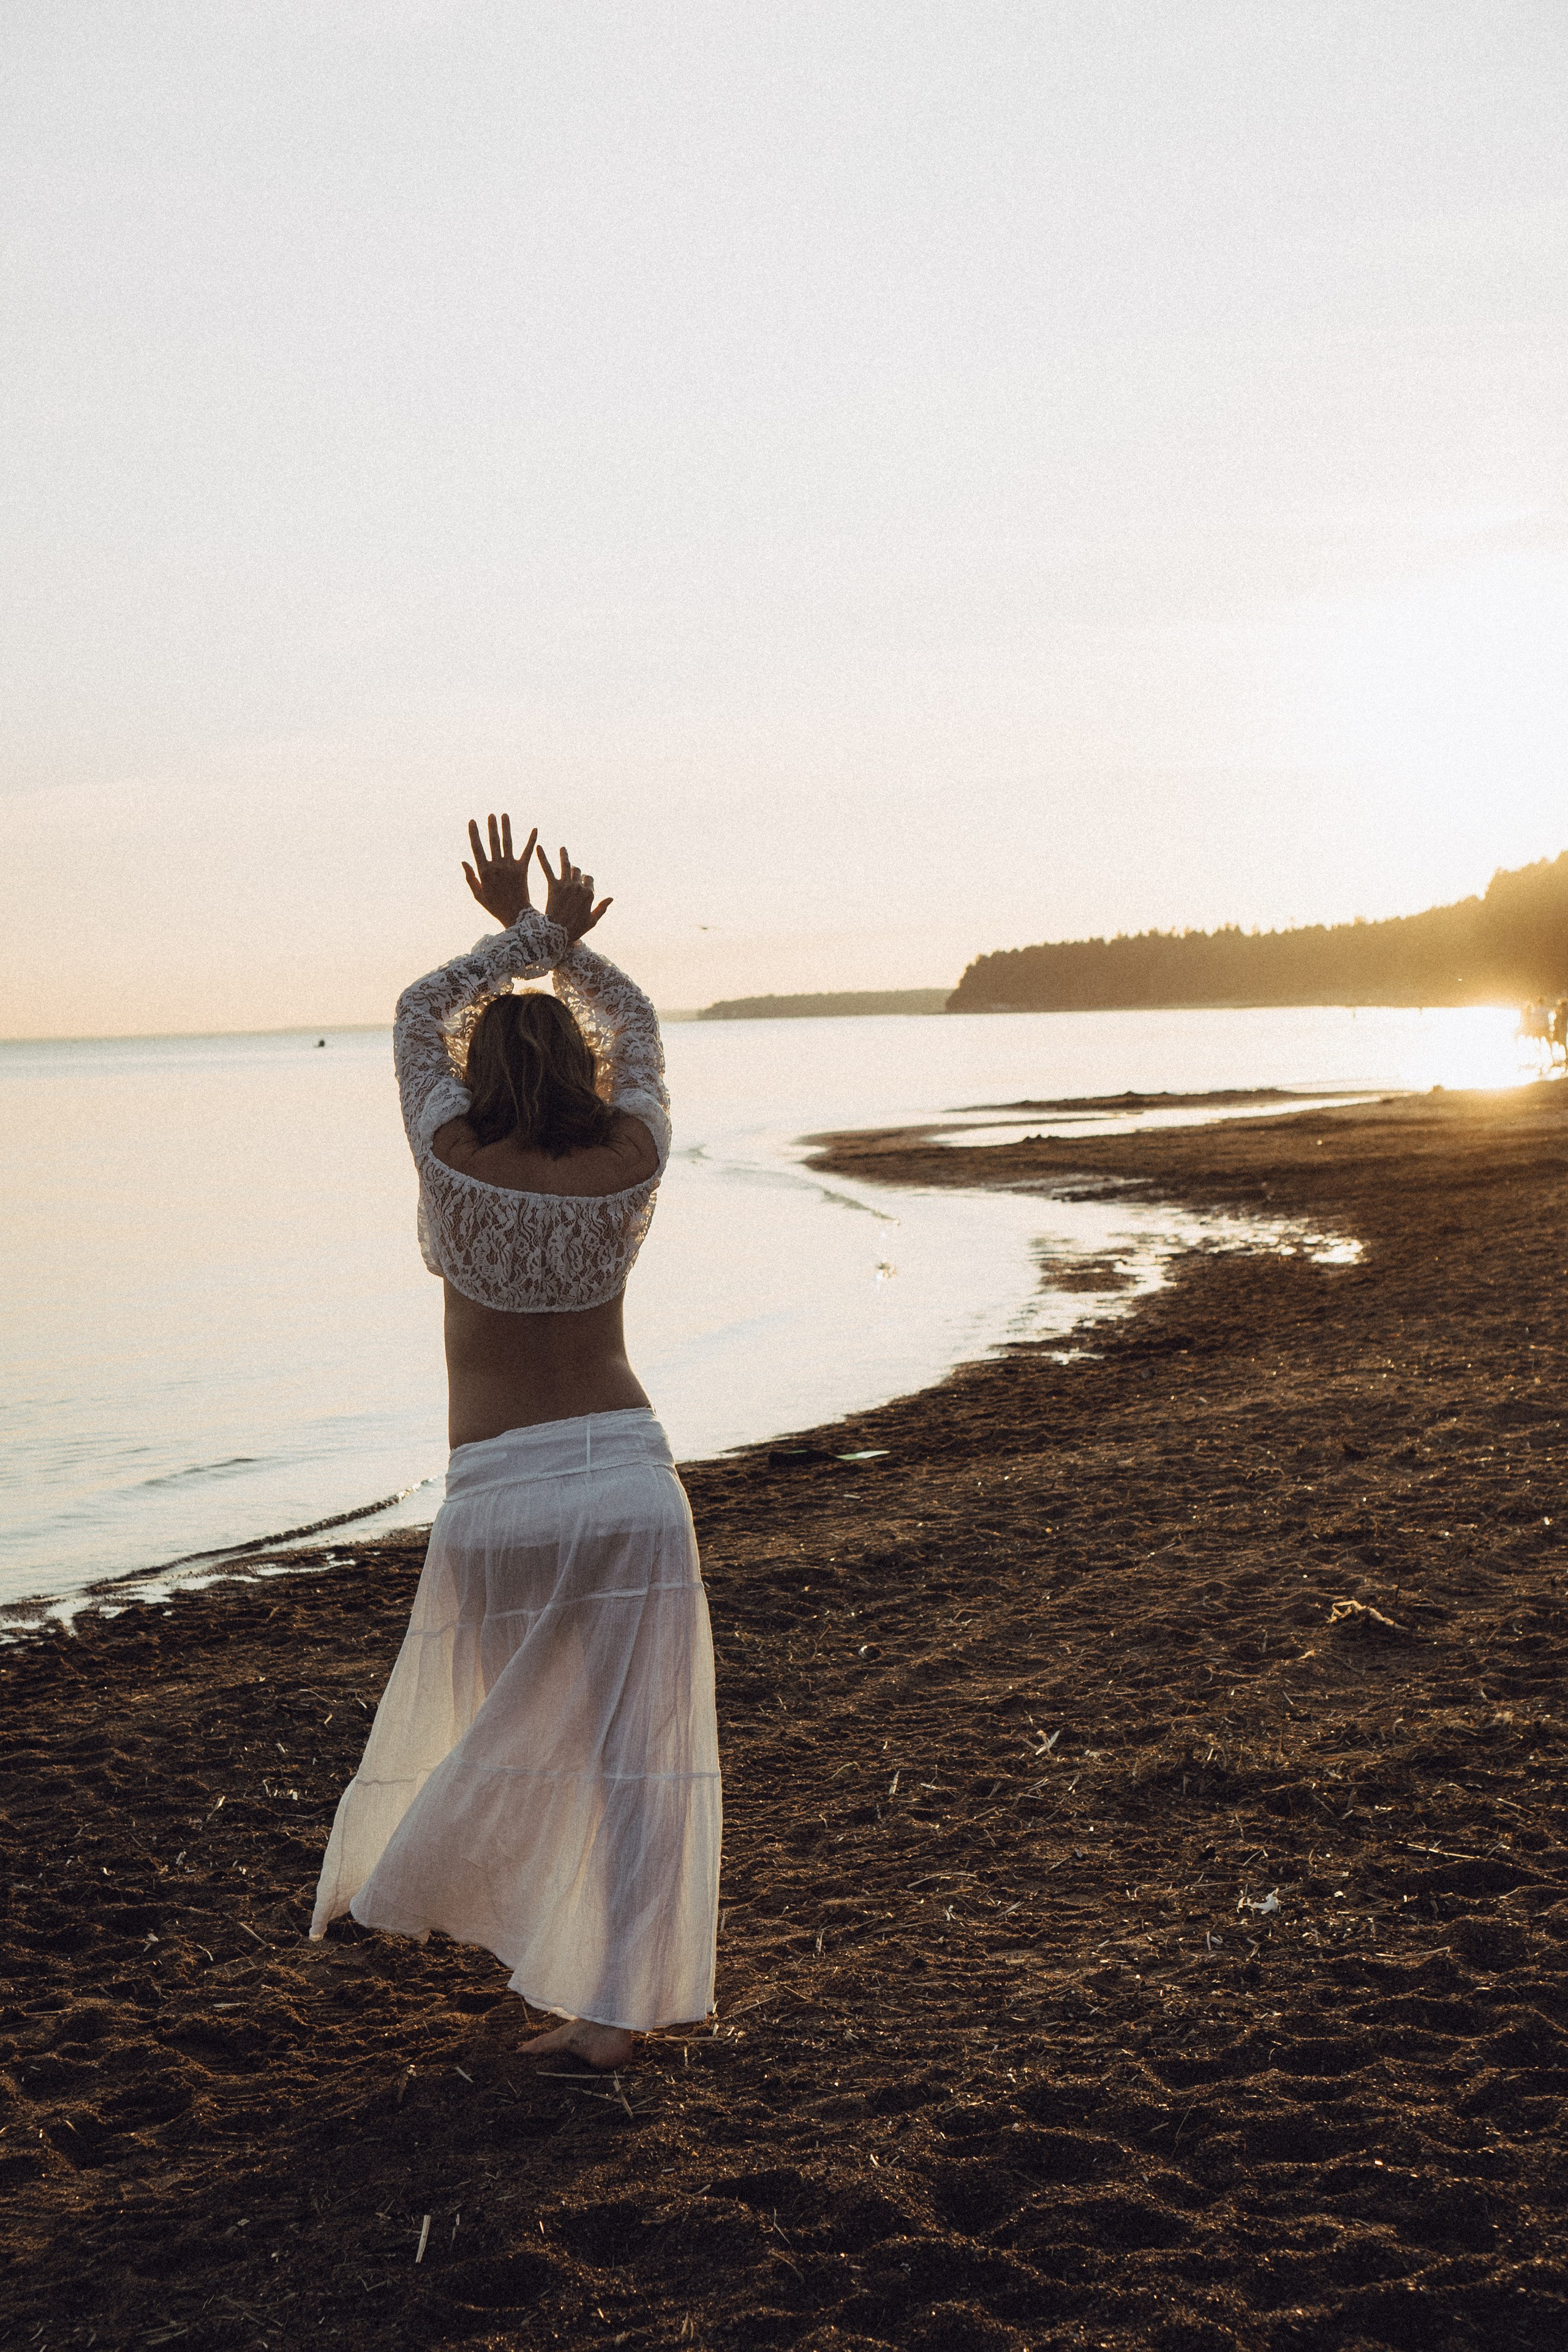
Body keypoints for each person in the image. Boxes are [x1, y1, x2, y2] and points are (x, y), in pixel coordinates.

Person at [310, 815, 720, 2070]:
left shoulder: (449, 1156)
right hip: (626, 1482)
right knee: (633, 1759)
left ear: (475, 1069)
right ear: (584, 1072)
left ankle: (564, 1973)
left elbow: (416, 1007)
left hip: (498, 1498)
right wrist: (575, 952)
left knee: (526, 1753)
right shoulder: (630, 1157)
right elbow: (640, 1029)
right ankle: (615, 2013)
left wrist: (522, 937)